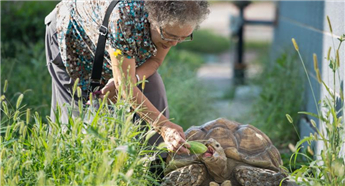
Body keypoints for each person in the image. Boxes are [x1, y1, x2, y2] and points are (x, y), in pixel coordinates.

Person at [45, 0, 209, 158]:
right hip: (72, 35)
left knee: (153, 89)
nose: (174, 44)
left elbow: (155, 61)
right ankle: (65, 166)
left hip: (112, 36)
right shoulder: (125, 17)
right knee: (75, 115)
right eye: (170, 36)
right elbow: (126, 87)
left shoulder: (169, 25)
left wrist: (128, 81)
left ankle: (154, 168)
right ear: (152, 19)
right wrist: (163, 126)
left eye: (183, 38)